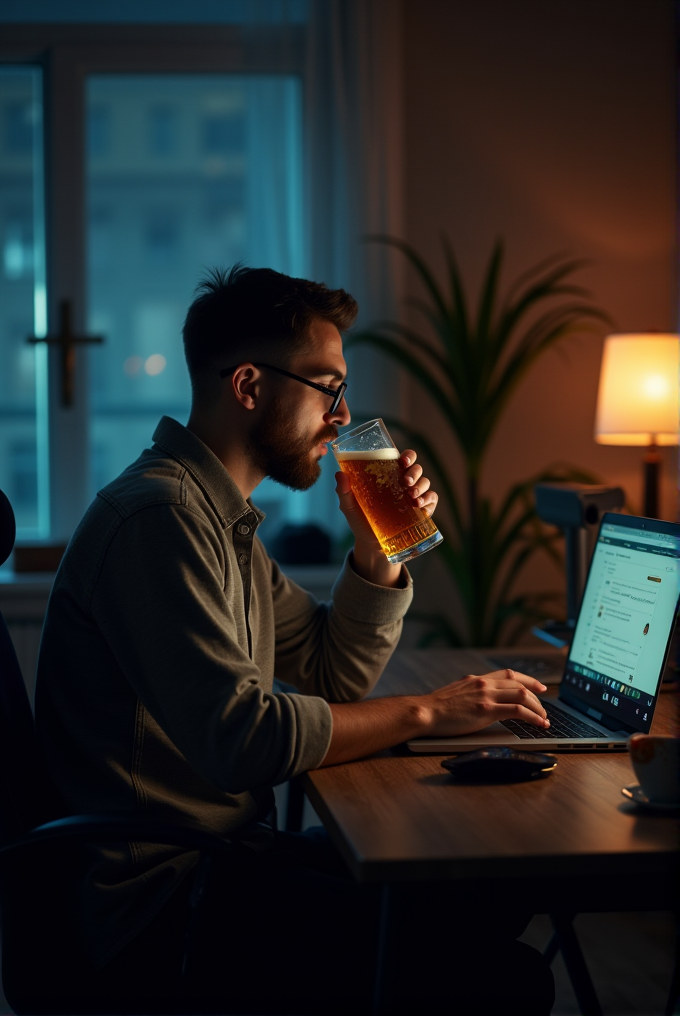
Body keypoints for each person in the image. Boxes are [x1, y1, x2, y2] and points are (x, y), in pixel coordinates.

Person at [35, 265, 554, 1015]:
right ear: (249, 386)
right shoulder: (161, 519)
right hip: (163, 910)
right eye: (327, 387)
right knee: (505, 981)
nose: (342, 417)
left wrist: (379, 550)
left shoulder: (220, 519)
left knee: (488, 894)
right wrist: (431, 711)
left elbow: (327, 672)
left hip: (228, 865)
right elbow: (241, 739)